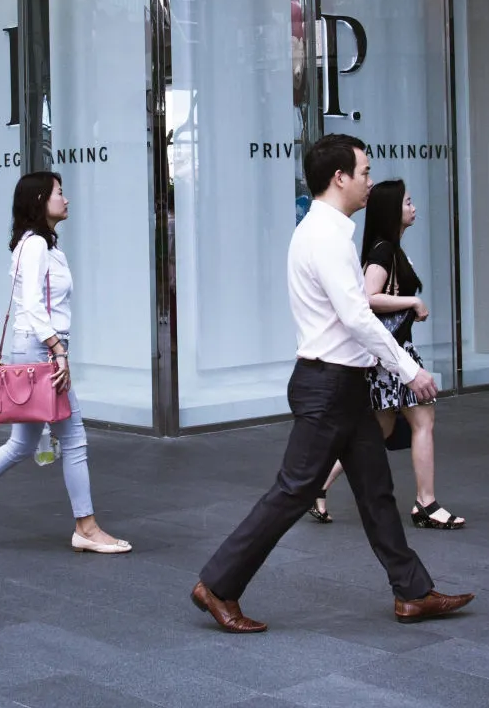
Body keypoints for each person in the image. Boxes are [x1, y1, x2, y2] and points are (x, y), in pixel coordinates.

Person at [192, 135, 472, 633]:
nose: (370, 181)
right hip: (328, 385)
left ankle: (412, 593)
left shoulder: (327, 231)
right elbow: (357, 316)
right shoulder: (325, 236)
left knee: (376, 489)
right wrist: (409, 370)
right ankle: (218, 584)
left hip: (342, 384)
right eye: (364, 172)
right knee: (293, 491)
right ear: (339, 178)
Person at [0, 172, 128, 554]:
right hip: (41, 349)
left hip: (36, 347)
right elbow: (33, 306)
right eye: (59, 192)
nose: (66, 199)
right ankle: (85, 527)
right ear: (39, 201)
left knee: (22, 444)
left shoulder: (39, 245)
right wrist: (58, 350)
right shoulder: (34, 245)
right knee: (74, 438)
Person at [310, 179, 464, 530]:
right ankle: (426, 503)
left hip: (391, 354)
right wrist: (413, 301)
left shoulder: (390, 248)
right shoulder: (383, 251)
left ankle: (317, 485)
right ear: (392, 209)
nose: (413, 208)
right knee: (422, 420)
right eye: (407, 202)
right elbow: (367, 298)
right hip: (394, 356)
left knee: (382, 428)